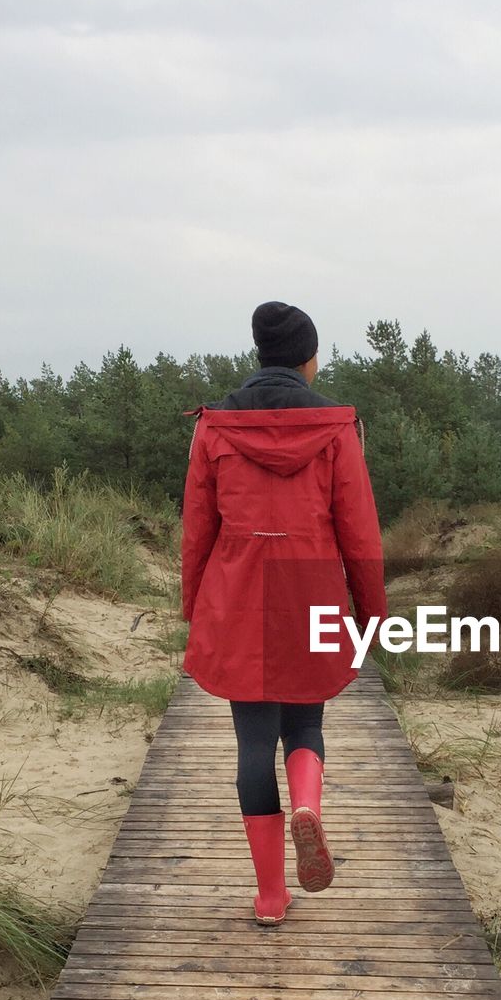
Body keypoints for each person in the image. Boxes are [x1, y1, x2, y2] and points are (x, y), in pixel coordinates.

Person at [179, 301, 387, 926]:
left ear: (259, 356)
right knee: (305, 722)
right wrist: (370, 615)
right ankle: (308, 806)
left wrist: (197, 609)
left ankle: (270, 895)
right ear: (308, 359)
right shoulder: (336, 427)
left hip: (238, 591)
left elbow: (197, 530)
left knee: (251, 742)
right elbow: (361, 534)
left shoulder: (214, 426)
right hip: (312, 587)